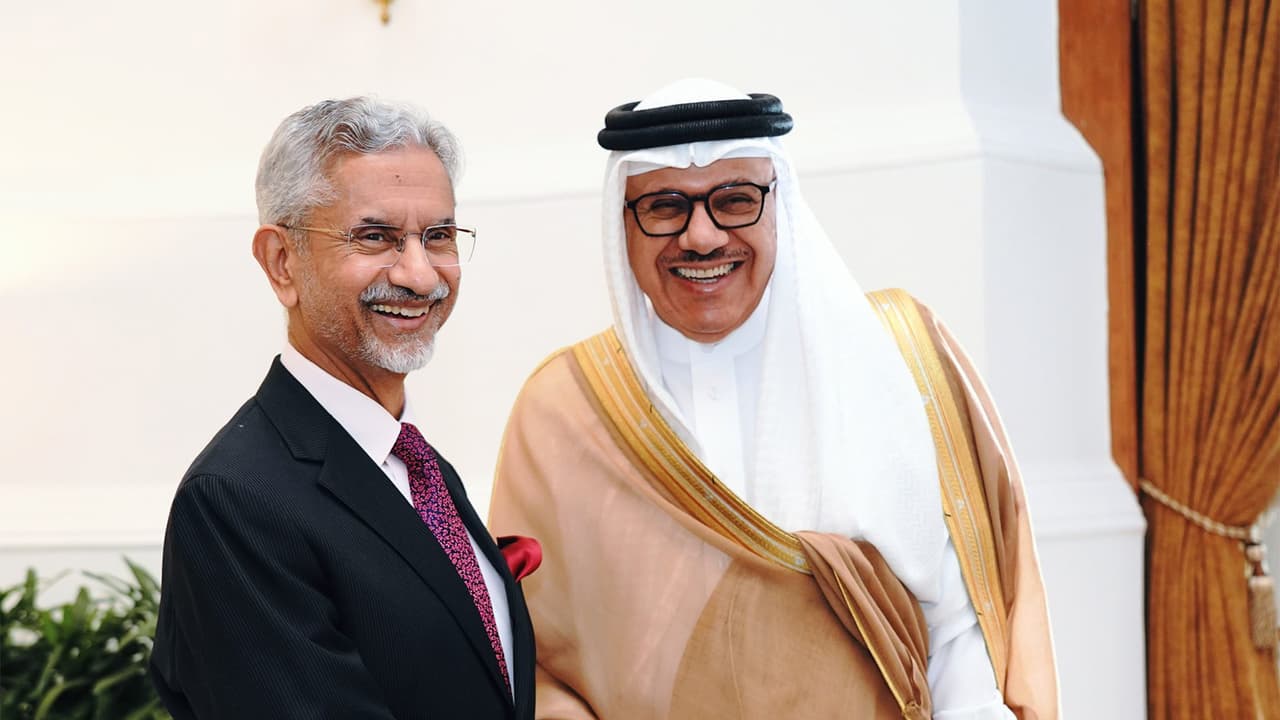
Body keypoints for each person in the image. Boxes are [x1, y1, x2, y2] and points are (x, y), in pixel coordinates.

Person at [488, 79, 1058, 719]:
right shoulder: (563, 411)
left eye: (735, 200)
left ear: (780, 204)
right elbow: (533, 660)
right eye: (664, 207)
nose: (702, 237)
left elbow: (960, 637)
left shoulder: (897, 358)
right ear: (622, 224)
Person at [150, 97, 535, 720]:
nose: (420, 275)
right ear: (282, 262)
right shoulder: (235, 501)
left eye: (438, 236)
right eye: (375, 237)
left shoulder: (413, 464)